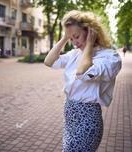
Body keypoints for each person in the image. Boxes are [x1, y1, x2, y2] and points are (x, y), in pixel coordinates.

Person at [44, 10, 122, 152]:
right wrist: (64, 38)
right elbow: (49, 61)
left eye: (77, 36)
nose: (74, 42)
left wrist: (89, 44)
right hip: (70, 116)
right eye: (71, 38)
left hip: (88, 119)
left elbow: (82, 73)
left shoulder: (110, 57)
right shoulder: (75, 54)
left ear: (90, 31)